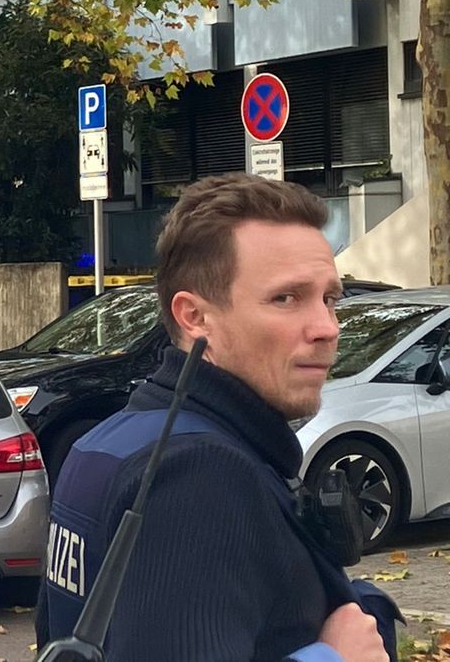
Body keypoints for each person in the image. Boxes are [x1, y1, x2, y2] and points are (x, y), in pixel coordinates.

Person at [35, 174, 396, 662]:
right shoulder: (198, 473)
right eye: (286, 298)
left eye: (330, 298)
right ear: (194, 317)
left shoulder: (107, 442)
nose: (326, 328)